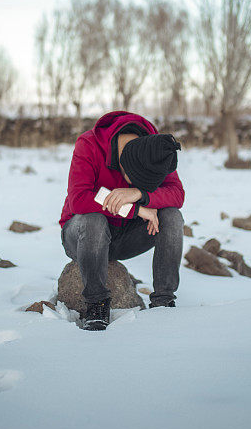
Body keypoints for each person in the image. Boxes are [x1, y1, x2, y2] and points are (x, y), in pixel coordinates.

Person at [59, 111, 185, 331]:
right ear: (124, 163)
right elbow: (79, 200)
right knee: (93, 220)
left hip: (125, 237)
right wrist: (135, 210)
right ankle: (96, 304)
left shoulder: (154, 150)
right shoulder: (88, 143)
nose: (142, 185)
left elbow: (177, 194)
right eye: (137, 181)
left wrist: (140, 194)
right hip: (82, 235)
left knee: (172, 216)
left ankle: (163, 301)